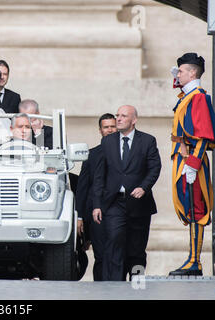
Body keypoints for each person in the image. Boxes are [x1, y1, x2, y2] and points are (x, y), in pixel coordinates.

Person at [92, 105, 161, 281]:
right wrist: (97, 205)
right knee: (114, 241)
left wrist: (144, 187)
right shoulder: (107, 141)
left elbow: (154, 168)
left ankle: (137, 283)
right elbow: (100, 175)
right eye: (118, 115)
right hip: (114, 202)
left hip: (139, 203)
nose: (119, 119)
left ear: (134, 120)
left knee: (137, 249)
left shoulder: (147, 141)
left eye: (123, 116)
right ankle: (115, 287)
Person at [169, 53, 215, 276]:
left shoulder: (198, 97)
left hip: (190, 160)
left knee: (195, 209)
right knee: (187, 205)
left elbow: (204, 134)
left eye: (181, 71)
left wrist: (194, 164)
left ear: (193, 73)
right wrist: (177, 79)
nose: (177, 75)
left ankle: (195, 262)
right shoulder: (188, 95)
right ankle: (192, 260)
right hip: (183, 158)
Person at [76, 113, 116, 281]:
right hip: (96, 214)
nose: (109, 130)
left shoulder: (125, 153)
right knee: (100, 255)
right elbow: (82, 189)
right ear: (100, 130)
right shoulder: (91, 155)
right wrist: (79, 217)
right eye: (106, 127)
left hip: (117, 211)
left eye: (112, 126)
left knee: (117, 255)